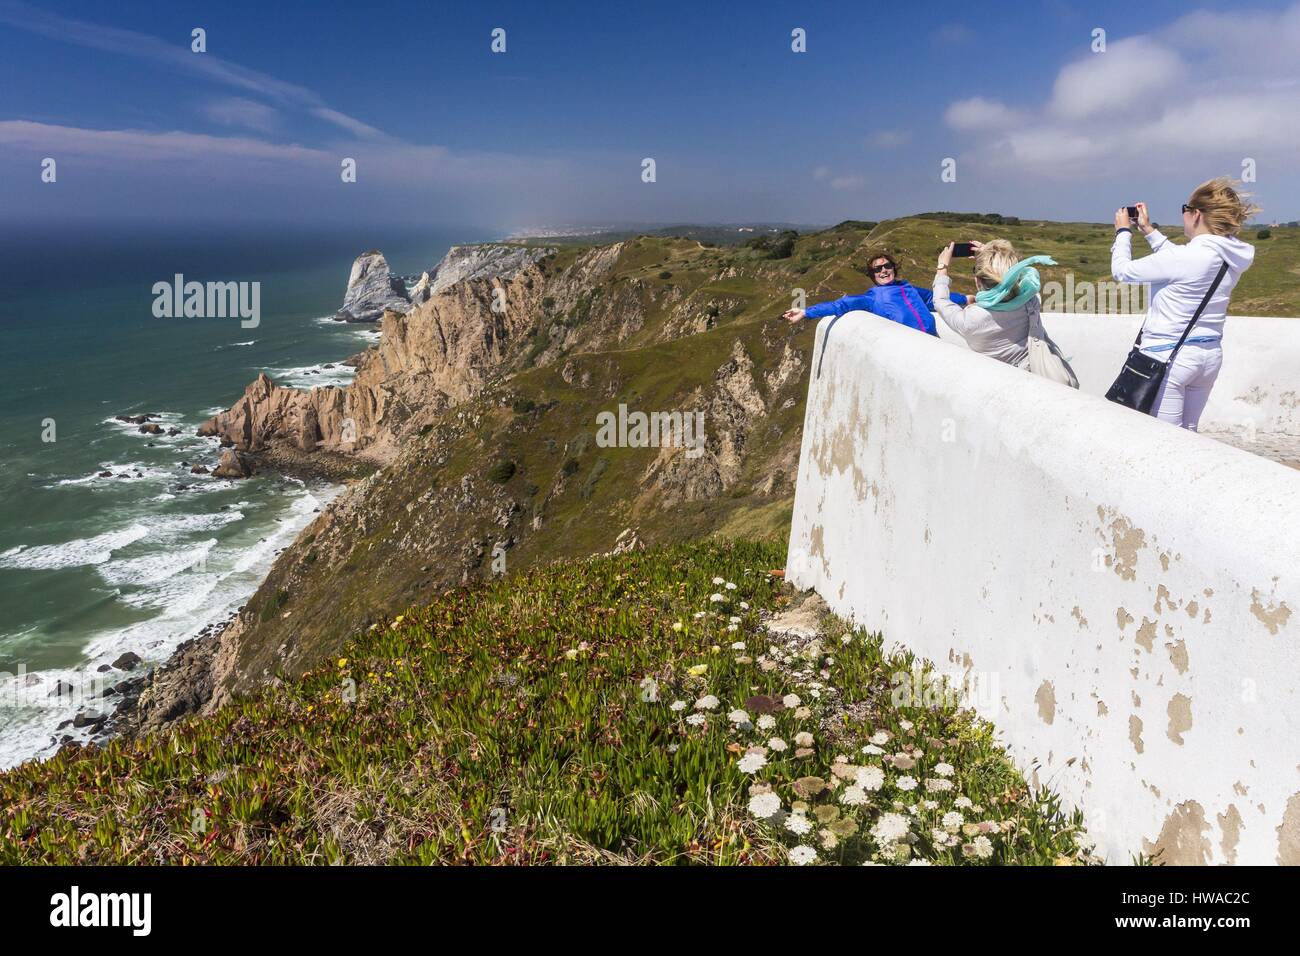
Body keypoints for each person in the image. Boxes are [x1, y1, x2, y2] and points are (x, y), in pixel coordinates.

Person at [1111, 178, 1258, 430]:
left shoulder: (1185, 258)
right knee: (1188, 435)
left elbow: (1122, 271)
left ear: (1197, 214)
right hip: (1208, 356)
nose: (1184, 216)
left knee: (1165, 440)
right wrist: (1147, 230)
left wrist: (1123, 233)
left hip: (1170, 357)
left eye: (1185, 209)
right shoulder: (1228, 256)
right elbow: (1180, 261)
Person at [931, 239, 1057, 368]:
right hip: (1045, 369)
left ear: (978, 281)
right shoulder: (1031, 300)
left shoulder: (971, 319)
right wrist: (995, 256)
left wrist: (942, 267)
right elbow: (1020, 276)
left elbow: (941, 301)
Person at [781, 252, 966, 334]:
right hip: (910, 347)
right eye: (877, 269)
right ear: (872, 275)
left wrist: (966, 299)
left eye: (887, 266)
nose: (883, 271)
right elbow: (841, 304)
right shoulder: (872, 297)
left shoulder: (908, 288)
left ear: (894, 268)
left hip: (933, 339)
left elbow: (935, 299)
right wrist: (806, 312)